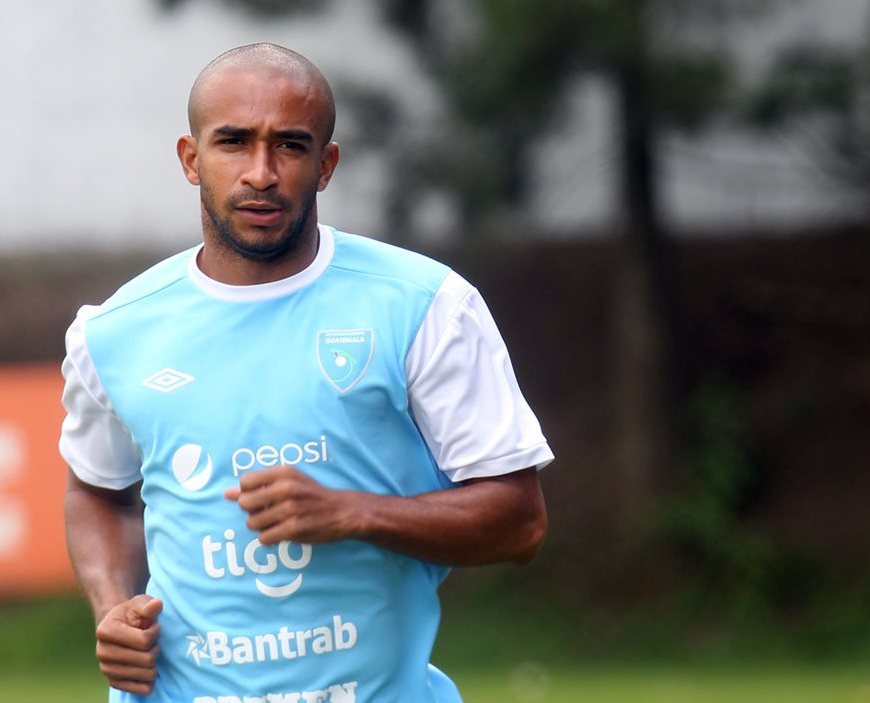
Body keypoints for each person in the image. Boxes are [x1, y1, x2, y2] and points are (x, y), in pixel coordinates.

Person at [60, 43, 553, 703]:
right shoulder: (114, 331)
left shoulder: (424, 306)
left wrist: (353, 511)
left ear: (325, 166)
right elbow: (96, 491)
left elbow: (518, 522)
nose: (259, 173)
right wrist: (111, 606)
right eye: (233, 142)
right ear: (190, 158)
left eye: (289, 146)